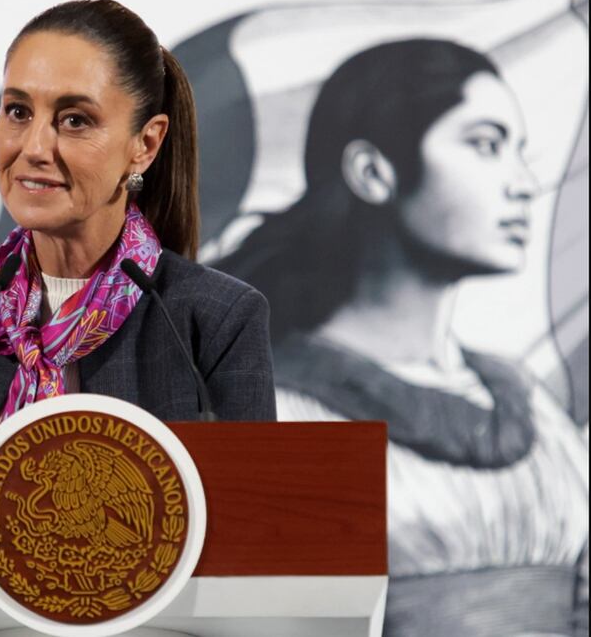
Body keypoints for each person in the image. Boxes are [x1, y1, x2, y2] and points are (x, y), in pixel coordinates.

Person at [217, 39, 589, 636]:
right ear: (373, 172)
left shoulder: (534, 409)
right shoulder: (278, 414)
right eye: (486, 145)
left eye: (520, 152)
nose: (523, 183)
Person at [0, 0, 276, 424]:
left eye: (75, 120)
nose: (35, 148)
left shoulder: (215, 319)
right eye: (18, 112)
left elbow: (247, 491)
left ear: (146, 145)